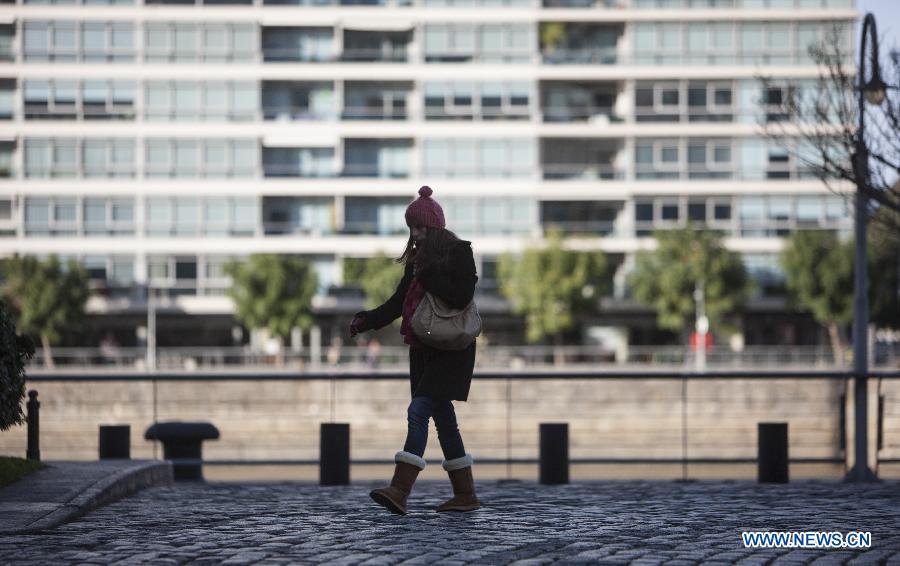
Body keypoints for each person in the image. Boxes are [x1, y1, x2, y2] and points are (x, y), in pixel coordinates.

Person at [349, 185, 480, 515]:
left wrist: (429, 273)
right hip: (423, 350)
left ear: (434, 227)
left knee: (419, 411)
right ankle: (465, 494)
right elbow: (397, 304)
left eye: (420, 227)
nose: (415, 234)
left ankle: (400, 490)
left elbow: (461, 295)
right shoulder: (416, 263)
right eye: (411, 228)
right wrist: (365, 321)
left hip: (451, 350)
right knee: (444, 420)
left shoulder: (458, 252)